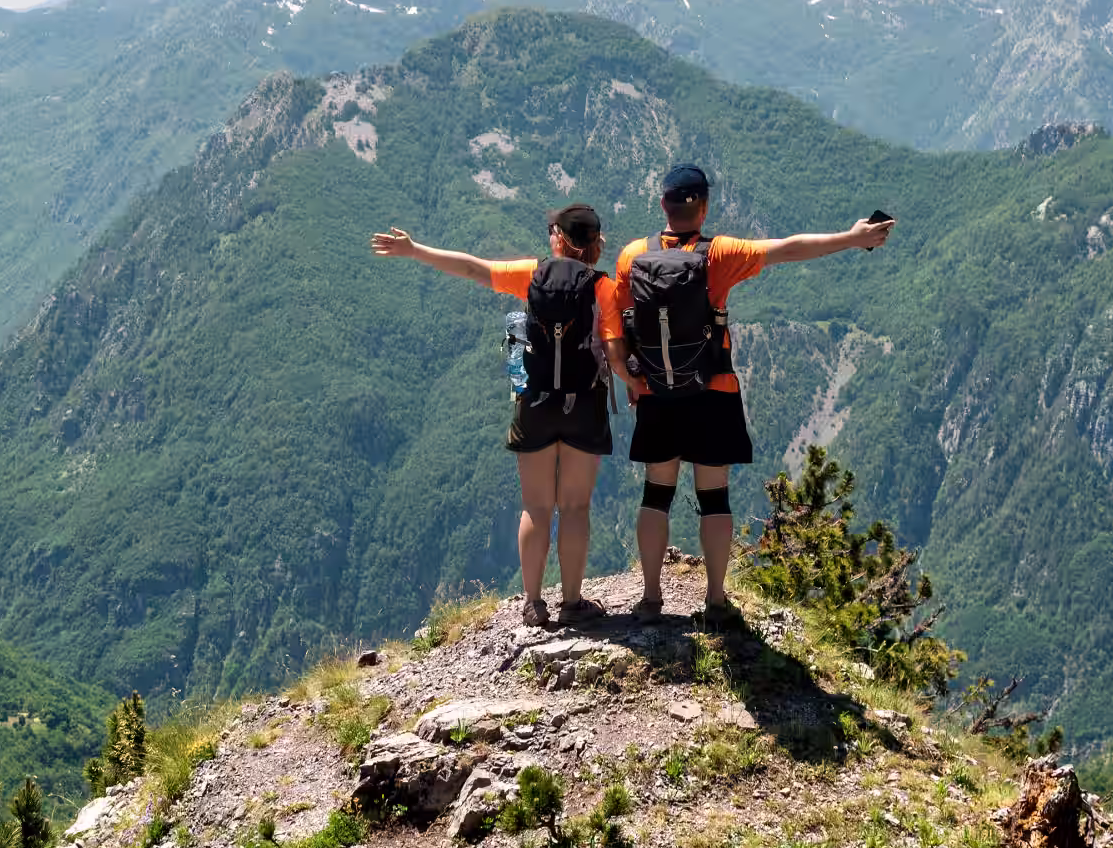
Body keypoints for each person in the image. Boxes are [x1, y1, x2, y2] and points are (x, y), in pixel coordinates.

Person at [606, 164, 893, 623]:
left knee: (655, 494)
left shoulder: (631, 256)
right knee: (714, 496)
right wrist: (851, 237)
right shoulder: (720, 253)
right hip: (713, 388)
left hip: (657, 393)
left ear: (663, 204)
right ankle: (716, 600)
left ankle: (651, 597)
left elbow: (618, 326)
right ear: (703, 205)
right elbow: (788, 248)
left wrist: (631, 381)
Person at [370, 205, 620, 628]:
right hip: (584, 408)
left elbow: (473, 269)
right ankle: (573, 602)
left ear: (558, 237)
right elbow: (614, 353)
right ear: (594, 244)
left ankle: (534, 604)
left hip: (534, 405)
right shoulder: (604, 288)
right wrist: (637, 384)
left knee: (536, 508)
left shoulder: (532, 274)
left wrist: (415, 250)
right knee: (575, 508)